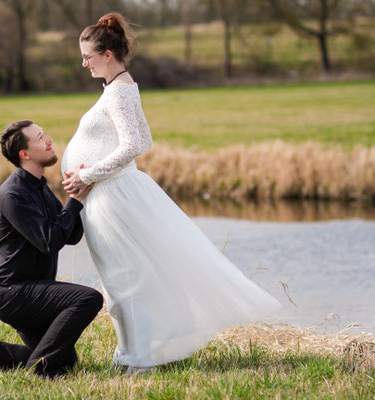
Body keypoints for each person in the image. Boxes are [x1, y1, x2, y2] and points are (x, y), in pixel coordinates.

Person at [61, 13, 282, 375]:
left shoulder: (118, 91)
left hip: (113, 197)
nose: (83, 62)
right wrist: (90, 176)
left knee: (124, 279)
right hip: (107, 193)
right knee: (121, 279)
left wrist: (87, 173)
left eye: (88, 56)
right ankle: (129, 354)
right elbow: (145, 139)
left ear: (108, 55)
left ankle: (139, 359)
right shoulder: (120, 86)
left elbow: (134, 144)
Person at [0, 120, 103, 378]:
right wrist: (74, 201)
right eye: (39, 137)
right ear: (25, 154)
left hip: (32, 290)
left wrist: (77, 197)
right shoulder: (13, 195)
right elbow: (49, 242)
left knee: (65, 361)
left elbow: (71, 236)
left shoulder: (40, 187)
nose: (48, 139)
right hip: (12, 294)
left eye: (44, 133)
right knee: (88, 298)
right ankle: (40, 372)